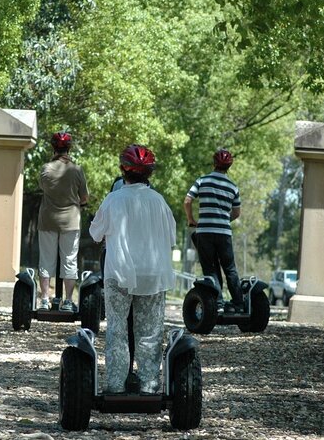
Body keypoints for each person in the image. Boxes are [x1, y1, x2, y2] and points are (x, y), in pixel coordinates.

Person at [89, 144, 176, 394]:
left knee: (117, 329)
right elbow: (171, 237)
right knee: (150, 331)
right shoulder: (159, 201)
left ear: (123, 171)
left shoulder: (114, 199)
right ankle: (149, 386)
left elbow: (95, 233)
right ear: (149, 173)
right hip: (153, 273)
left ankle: (116, 385)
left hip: (119, 273)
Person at [183, 148, 243, 313]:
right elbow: (237, 212)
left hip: (205, 232)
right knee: (229, 268)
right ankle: (238, 303)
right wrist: (224, 219)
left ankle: (218, 303)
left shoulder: (202, 180)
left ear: (214, 163)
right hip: (224, 233)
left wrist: (191, 219)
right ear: (229, 166)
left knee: (210, 268)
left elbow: (188, 201)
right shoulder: (233, 187)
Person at [37, 131, 89, 312]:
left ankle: (44, 299)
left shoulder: (45, 169)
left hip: (48, 220)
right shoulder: (76, 169)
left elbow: (43, 188)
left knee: (46, 259)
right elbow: (84, 198)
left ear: (53, 147)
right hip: (70, 221)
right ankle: (67, 301)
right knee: (69, 260)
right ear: (69, 148)